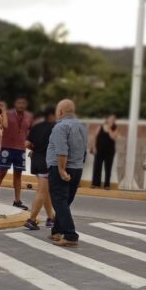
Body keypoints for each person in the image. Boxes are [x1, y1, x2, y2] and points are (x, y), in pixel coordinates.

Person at [46, 99, 88, 247]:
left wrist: (61, 169)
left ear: (61, 111)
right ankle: (56, 231)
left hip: (61, 168)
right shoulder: (81, 126)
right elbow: (84, 149)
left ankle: (70, 235)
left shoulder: (60, 127)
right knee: (64, 201)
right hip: (77, 168)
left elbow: (62, 150)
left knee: (59, 200)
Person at [0, 94, 33, 210]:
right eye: (19, 103)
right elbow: (0, 125)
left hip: (21, 149)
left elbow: (32, 133)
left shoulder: (29, 116)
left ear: (26, 105)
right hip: (6, 147)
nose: (21, 105)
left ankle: (17, 200)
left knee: (18, 174)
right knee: (2, 171)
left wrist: (31, 147)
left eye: (23, 103)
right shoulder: (7, 113)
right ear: (15, 104)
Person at [24, 106, 56, 230]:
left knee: (45, 191)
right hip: (46, 163)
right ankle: (31, 220)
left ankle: (50, 218)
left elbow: (27, 144)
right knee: (42, 192)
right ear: (52, 115)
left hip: (35, 161)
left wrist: (36, 149)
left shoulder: (36, 127)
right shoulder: (55, 128)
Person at [90, 114, 118, 189]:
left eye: (113, 119)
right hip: (99, 149)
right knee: (97, 166)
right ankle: (95, 183)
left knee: (108, 167)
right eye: (111, 118)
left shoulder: (115, 128)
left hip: (110, 151)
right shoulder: (100, 127)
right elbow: (95, 137)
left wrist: (109, 129)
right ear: (107, 119)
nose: (112, 120)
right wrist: (94, 147)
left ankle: (107, 185)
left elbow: (114, 138)